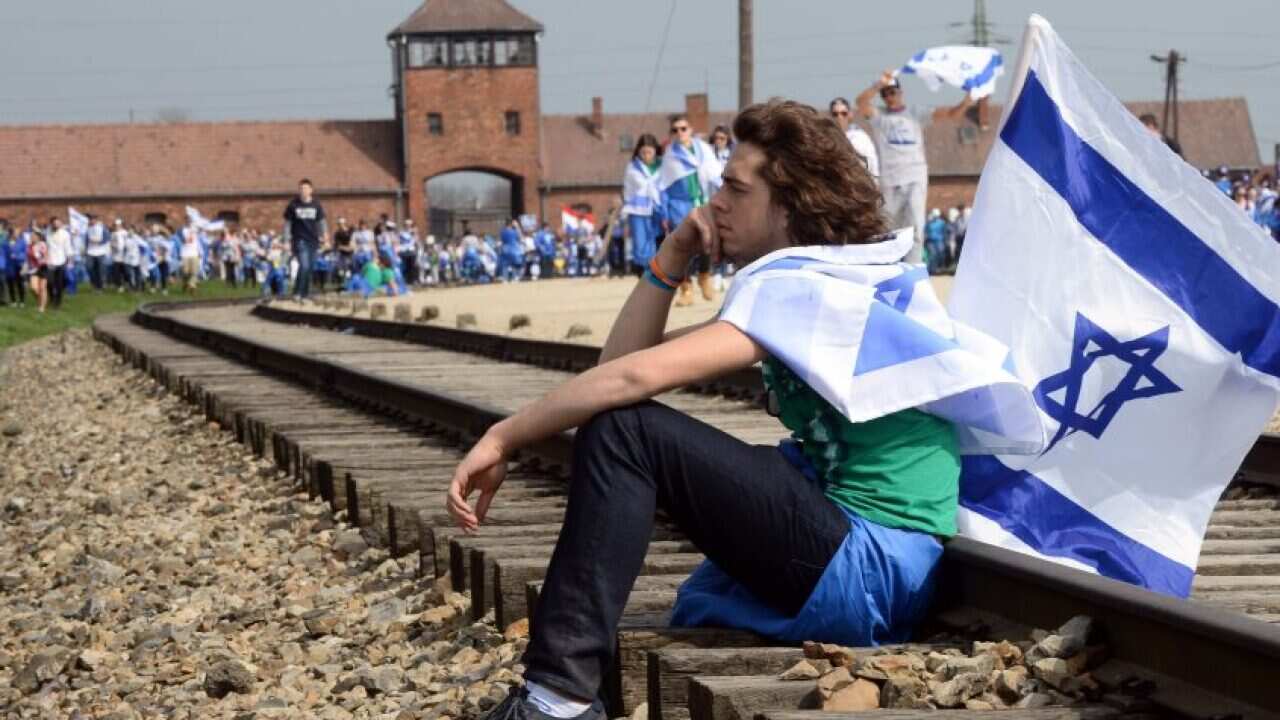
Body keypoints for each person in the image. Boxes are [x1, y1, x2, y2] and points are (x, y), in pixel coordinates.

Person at [446, 99, 1018, 720]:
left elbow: (629, 382)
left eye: (734, 188)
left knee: (627, 432)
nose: (714, 201)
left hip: (866, 565)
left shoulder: (799, 293)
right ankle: (558, 694)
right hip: (879, 562)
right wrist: (671, 257)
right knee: (622, 422)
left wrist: (504, 436)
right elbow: (616, 371)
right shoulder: (829, 281)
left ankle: (556, 701)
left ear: (791, 204)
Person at [856, 71, 972, 263]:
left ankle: (914, 267)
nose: (889, 97)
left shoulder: (916, 113)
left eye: (892, 92)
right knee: (888, 227)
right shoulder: (880, 117)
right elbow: (860, 103)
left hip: (915, 177)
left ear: (900, 92)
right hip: (891, 180)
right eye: (885, 94)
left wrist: (967, 101)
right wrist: (878, 84)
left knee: (915, 227)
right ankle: (889, 267)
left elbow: (950, 114)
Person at [658, 114, 718, 305]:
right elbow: (664, 185)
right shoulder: (670, 155)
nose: (680, 133)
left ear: (690, 130)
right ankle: (686, 289)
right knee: (684, 247)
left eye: (683, 128)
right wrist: (665, 213)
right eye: (675, 130)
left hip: (701, 200)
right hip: (678, 205)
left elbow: (716, 174)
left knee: (707, 240)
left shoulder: (704, 150)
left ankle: (705, 276)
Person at [621, 134, 664, 276]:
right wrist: (624, 213)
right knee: (640, 245)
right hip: (638, 210)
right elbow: (627, 190)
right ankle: (644, 273)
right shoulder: (632, 167)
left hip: (657, 208)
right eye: (643, 152)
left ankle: (655, 273)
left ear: (655, 151)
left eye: (649, 152)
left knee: (656, 242)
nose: (646, 156)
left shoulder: (662, 166)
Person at [283, 178, 328, 302]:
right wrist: (286, 240)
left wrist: (325, 237)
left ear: (311, 190)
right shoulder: (293, 205)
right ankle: (298, 293)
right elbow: (287, 224)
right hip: (299, 240)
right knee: (304, 265)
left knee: (309, 267)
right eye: (301, 189)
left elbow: (322, 222)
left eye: (306, 188)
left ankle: (304, 294)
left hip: (313, 241)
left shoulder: (316, 205)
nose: (303, 191)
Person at [829, 97, 878, 182]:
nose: (839, 117)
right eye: (835, 114)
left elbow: (872, 167)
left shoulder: (859, 137)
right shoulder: (827, 138)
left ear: (850, 115)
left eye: (843, 113)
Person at [45, 217, 73, 309]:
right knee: (49, 282)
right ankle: (52, 297)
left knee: (59, 283)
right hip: (50, 261)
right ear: (51, 224)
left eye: (58, 223)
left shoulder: (65, 234)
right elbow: (44, 247)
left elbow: (68, 247)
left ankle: (58, 301)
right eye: (54, 223)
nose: (56, 225)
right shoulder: (47, 233)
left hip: (61, 261)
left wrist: (69, 260)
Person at [84, 215, 109, 291]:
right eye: (90, 220)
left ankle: (100, 286)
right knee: (89, 267)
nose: (91, 221)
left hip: (100, 252)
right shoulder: (88, 229)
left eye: (92, 220)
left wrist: (99, 242)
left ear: (96, 220)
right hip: (90, 252)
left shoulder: (102, 228)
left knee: (100, 270)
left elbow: (107, 238)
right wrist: (85, 248)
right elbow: (86, 240)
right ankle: (94, 283)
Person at [27, 231, 49, 313]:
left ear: (38, 237)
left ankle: (42, 307)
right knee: (34, 288)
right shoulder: (29, 246)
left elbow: (45, 255)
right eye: (31, 236)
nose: (32, 238)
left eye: (34, 236)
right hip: (33, 269)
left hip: (43, 267)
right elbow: (28, 257)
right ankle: (41, 301)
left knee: (43, 288)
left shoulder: (42, 244)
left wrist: (42, 260)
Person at [6, 225, 27, 307]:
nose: (16, 234)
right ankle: (13, 301)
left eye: (18, 232)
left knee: (20, 284)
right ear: (11, 233)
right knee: (10, 284)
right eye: (15, 232)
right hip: (9, 266)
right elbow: (3, 254)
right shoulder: (6, 242)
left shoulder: (22, 242)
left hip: (19, 265)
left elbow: (25, 254)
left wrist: (17, 256)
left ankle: (22, 301)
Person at [923, 208, 948, 275]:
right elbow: (925, 231)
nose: (935, 217)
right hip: (930, 241)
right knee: (932, 255)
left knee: (939, 255)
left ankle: (936, 268)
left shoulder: (942, 223)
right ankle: (930, 269)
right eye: (934, 216)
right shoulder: (929, 223)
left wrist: (945, 241)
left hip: (939, 241)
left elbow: (944, 232)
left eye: (936, 216)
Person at [179, 224, 202, 293]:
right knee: (185, 272)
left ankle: (192, 286)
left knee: (194, 271)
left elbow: (204, 226)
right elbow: (183, 240)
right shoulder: (182, 230)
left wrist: (200, 252)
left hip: (194, 253)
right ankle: (185, 283)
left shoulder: (195, 229)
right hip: (185, 254)